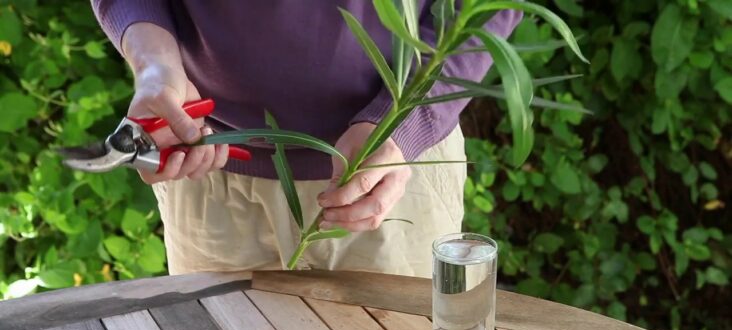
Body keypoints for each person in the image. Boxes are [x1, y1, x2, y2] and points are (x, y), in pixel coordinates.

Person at [91, 1, 521, 277]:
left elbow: (481, 9)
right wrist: (155, 64)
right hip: (209, 173)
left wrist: (401, 125)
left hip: (385, 180)